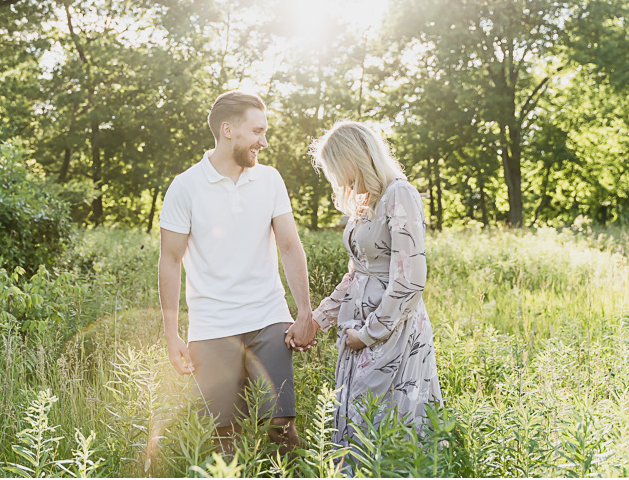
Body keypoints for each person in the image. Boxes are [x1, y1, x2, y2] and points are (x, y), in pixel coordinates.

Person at [158, 90, 317, 454]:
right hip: (212, 326)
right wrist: (171, 335)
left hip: (268, 317)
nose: (264, 141)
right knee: (221, 439)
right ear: (228, 130)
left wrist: (305, 312)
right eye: (257, 131)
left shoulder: (270, 180)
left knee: (281, 428)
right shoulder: (185, 187)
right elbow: (169, 260)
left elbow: (290, 246)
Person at [308, 120, 443, 447]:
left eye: (337, 169)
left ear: (352, 158)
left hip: (390, 332)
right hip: (358, 331)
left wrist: (370, 334)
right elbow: (357, 272)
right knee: (359, 424)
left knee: (389, 427)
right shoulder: (366, 202)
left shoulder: (400, 194)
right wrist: (319, 318)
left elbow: (410, 279)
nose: (338, 180)